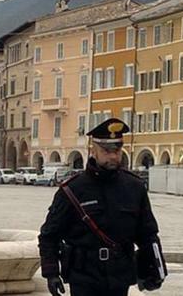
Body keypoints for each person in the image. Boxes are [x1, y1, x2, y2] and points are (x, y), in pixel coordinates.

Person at [38, 118, 166, 296]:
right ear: (93, 151)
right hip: (84, 277)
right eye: (106, 151)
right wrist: (51, 273)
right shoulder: (72, 190)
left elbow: (148, 234)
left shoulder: (134, 187)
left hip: (119, 277)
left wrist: (155, 268)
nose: (113, 156)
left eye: (117, 150)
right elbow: (48, 236)